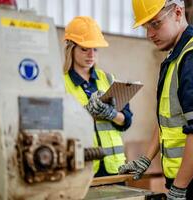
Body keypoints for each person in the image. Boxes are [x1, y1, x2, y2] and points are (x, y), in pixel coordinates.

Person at [118, 0, 193, 199]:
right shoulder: (177, 57)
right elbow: (167, 119)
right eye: (146, 26)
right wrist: (146, 159)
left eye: (155, 24)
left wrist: (179, 188)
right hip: (190, 179)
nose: (149, 34)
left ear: (178, 13)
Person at [63, 16, 133, 177]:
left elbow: (127, 120)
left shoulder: (108, 80)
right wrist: (85, 114)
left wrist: (112, 114)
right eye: (84, 49)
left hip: (114, 167)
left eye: (95, 49)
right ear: (70, 48)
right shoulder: (60, 83)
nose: (91, 55)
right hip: (81, 167)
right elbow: (57, 126)